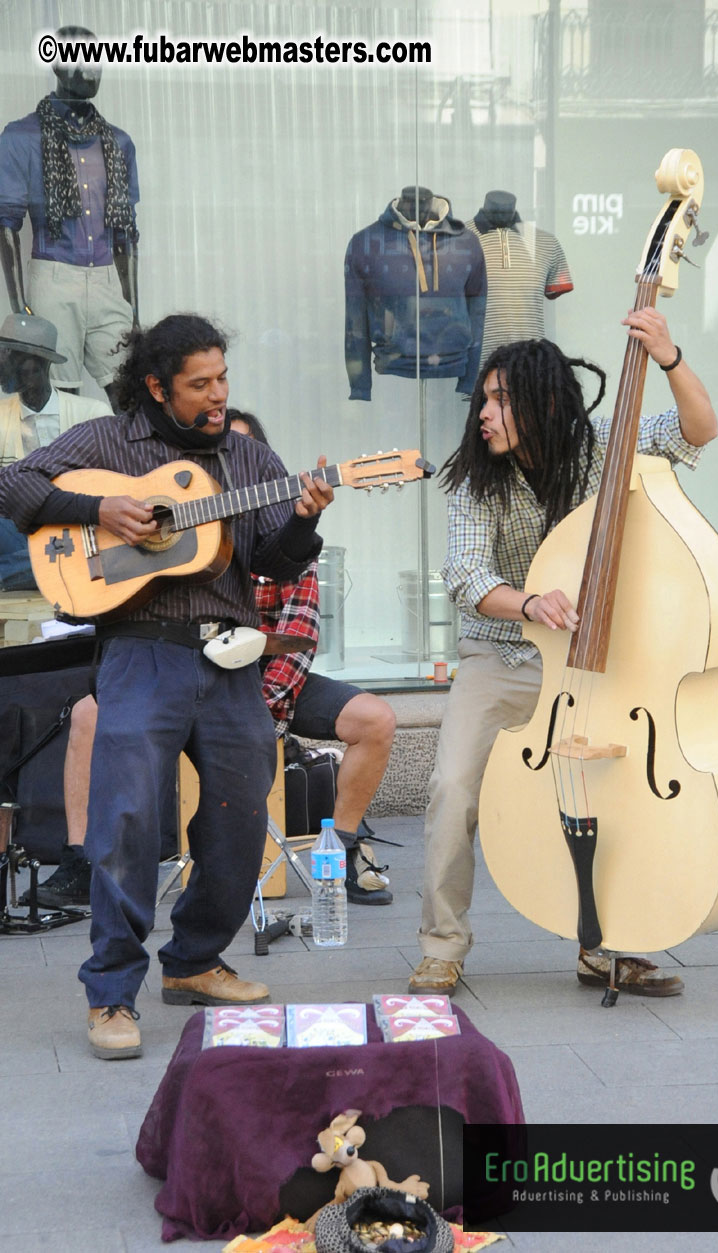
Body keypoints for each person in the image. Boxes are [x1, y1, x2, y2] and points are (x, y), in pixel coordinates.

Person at [0, 314, 334, 1060]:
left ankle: (193, 961)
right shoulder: (108, 442)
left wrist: (304, 521)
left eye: (223, 378)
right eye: (200, 383)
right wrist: (97, 509)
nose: (218, 395)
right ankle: (111, 992)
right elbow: (12, 483)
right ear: (157, 386)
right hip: (141, 651)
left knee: (241, 815)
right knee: (125, 821)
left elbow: (274, 561)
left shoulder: (250, 457)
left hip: (228, 658)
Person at [408, 308, 718, 997]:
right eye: (483, 399)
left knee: (612, 796)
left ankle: (603, 946)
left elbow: (699, 430)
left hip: (594, 662)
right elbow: (465, 574)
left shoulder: (605, 443)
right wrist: (528, 603)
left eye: (499, 400)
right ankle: (442, 947)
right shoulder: (475, 478)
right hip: (502, 655)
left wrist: (669, 358)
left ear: (544, 403)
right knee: (452, 787)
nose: (483, 413)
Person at [229, 410, 397, 905]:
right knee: (90, 713)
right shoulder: (188, 532)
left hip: (266, 685)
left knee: (376, 720)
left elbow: (297, 637)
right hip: (193, 682)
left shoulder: (286, 535)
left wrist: (262, 714)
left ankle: (341, 850)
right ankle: (86, 861)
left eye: (244, 454)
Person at [0, 25, 139, 404]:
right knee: (60, 396)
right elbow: (7, 224)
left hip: (108, 281)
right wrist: (20, 306)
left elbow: (126, 233)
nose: (93, 71)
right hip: (54, 278)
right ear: (58, 66)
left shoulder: (118, 142)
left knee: (131, 393)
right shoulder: (22, 137)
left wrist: (132, 308)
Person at [0, 311, 110, 590]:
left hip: (77, 527)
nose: (2, 363)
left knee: (97, 547)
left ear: (39, 362)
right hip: (17, 531)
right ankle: (45, 569)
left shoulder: (92, 413)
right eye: (2, 354)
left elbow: (109, 488)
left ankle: (25, 570)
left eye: (12, 356)